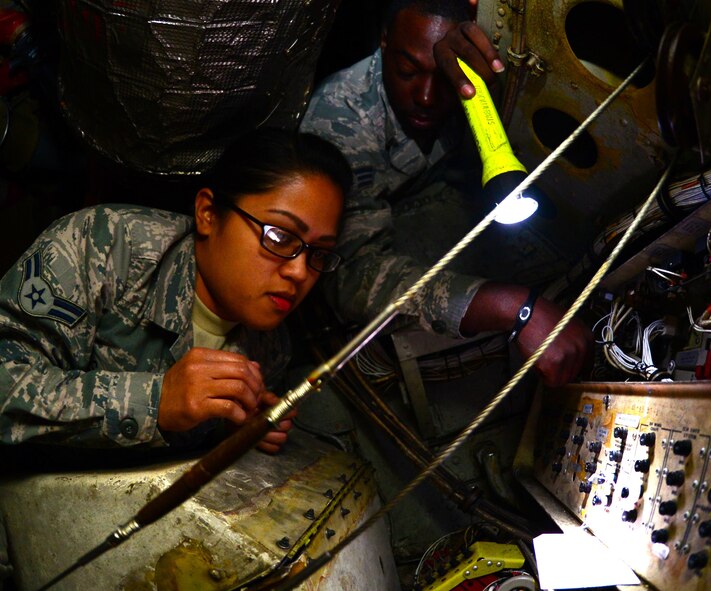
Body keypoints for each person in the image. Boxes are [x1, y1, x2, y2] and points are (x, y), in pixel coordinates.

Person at [0, 129, 351, 453]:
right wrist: (156, 402)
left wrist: (235, 431)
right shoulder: (104, 246)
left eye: (318, 253)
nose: (299, 271)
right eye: (280, 237)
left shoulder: (271, 348)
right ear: (208, 214)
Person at [301, 0, 591, 386]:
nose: (425, 96)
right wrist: (513, 307)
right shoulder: (338, 122)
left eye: (443, 79)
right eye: (407, 71)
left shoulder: (477, 80)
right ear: (384, 40)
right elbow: (353, 275)